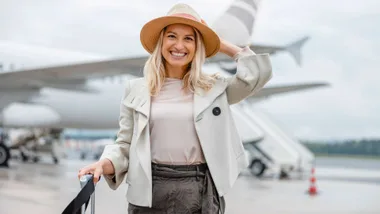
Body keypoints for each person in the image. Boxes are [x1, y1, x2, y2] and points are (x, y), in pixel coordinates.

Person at [78, 3, 272, 214]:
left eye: (189, 38)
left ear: (197, 46)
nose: (179, 45)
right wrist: (103, 163)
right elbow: (124, 144)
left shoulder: (215, 89)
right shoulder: (136, 89)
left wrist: (219, 43)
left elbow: (257, 75)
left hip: (199, 190)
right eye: (172, 36)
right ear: (161, 41)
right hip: (149, 190)